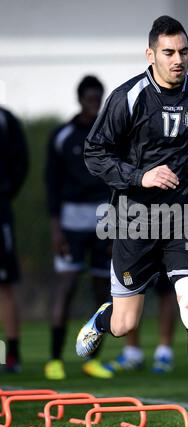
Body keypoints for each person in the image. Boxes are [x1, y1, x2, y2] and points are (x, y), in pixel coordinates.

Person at [76, 16, 188, 427]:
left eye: (183, 52)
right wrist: (139, 176)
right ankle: (104, 320)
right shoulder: (129, 98)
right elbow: (95, 153)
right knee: (127, 323)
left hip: (184, 218)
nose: (178, 60)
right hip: (135, 219)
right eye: (168, 52)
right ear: (151, 54)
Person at [44, 76, 113, 380]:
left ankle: (91, 359)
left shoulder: (110, 135)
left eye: (98, 98)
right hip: (71, 219)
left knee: (103, 290)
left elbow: (117, 181)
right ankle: (55, 359)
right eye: (89, 98)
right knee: (67, 286)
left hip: (103, 218)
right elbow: (51, 184)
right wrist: (56, 228)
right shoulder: (63, 136)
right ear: (80, 99)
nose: (93, 103)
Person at [0, 106, 29, 373]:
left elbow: (21, 160)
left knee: (4, 284)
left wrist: (7, 191)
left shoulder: (6, 119)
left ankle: (11, 354)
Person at [105, 269, 178, 374]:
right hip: (133, 252)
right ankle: (132, 354)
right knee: (130, 289)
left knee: (166, 289)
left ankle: (164, 354)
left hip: (162, 253)